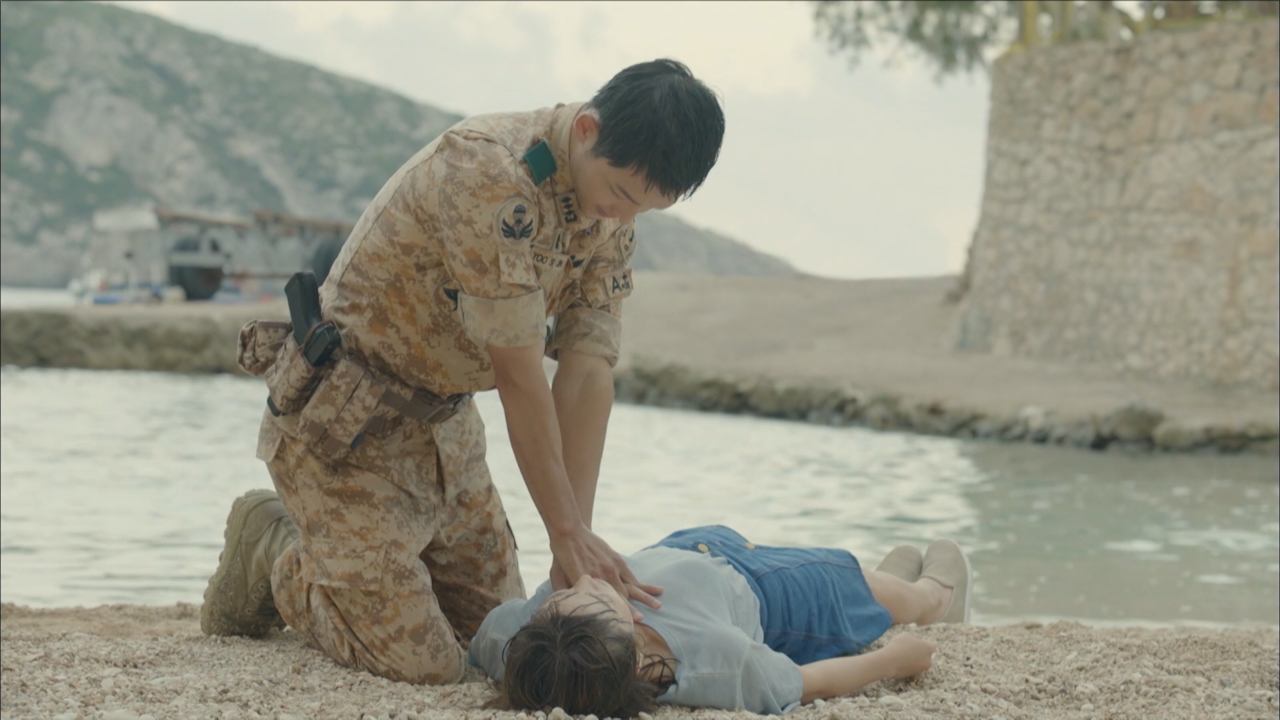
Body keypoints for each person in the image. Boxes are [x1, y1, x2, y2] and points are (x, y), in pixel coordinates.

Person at [199, 59, 726, 685]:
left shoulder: (609, 213)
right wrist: (562, 530)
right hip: (347, 431)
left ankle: (375, 564)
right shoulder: (489, 172)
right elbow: (520, 375)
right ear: (587, 130)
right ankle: (276, 548)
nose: (621, 216)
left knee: (496, 641)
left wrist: (576, 543)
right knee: (422, 665)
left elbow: (586, 373)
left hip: (446, 432)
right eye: (622, 193)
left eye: (643, 209)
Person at [470, 527, 972, 716]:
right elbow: (805, 682)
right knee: (881, 590)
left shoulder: (516, 639)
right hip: (767, 590)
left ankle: (883, 586)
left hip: (687, 545)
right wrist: (894, 660)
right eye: (598, 601)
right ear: (633, 651)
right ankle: (933, 598)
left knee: (871, 585)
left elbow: (484, 640)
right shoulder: (716, 662)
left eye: (557, 599)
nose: (583, 581)